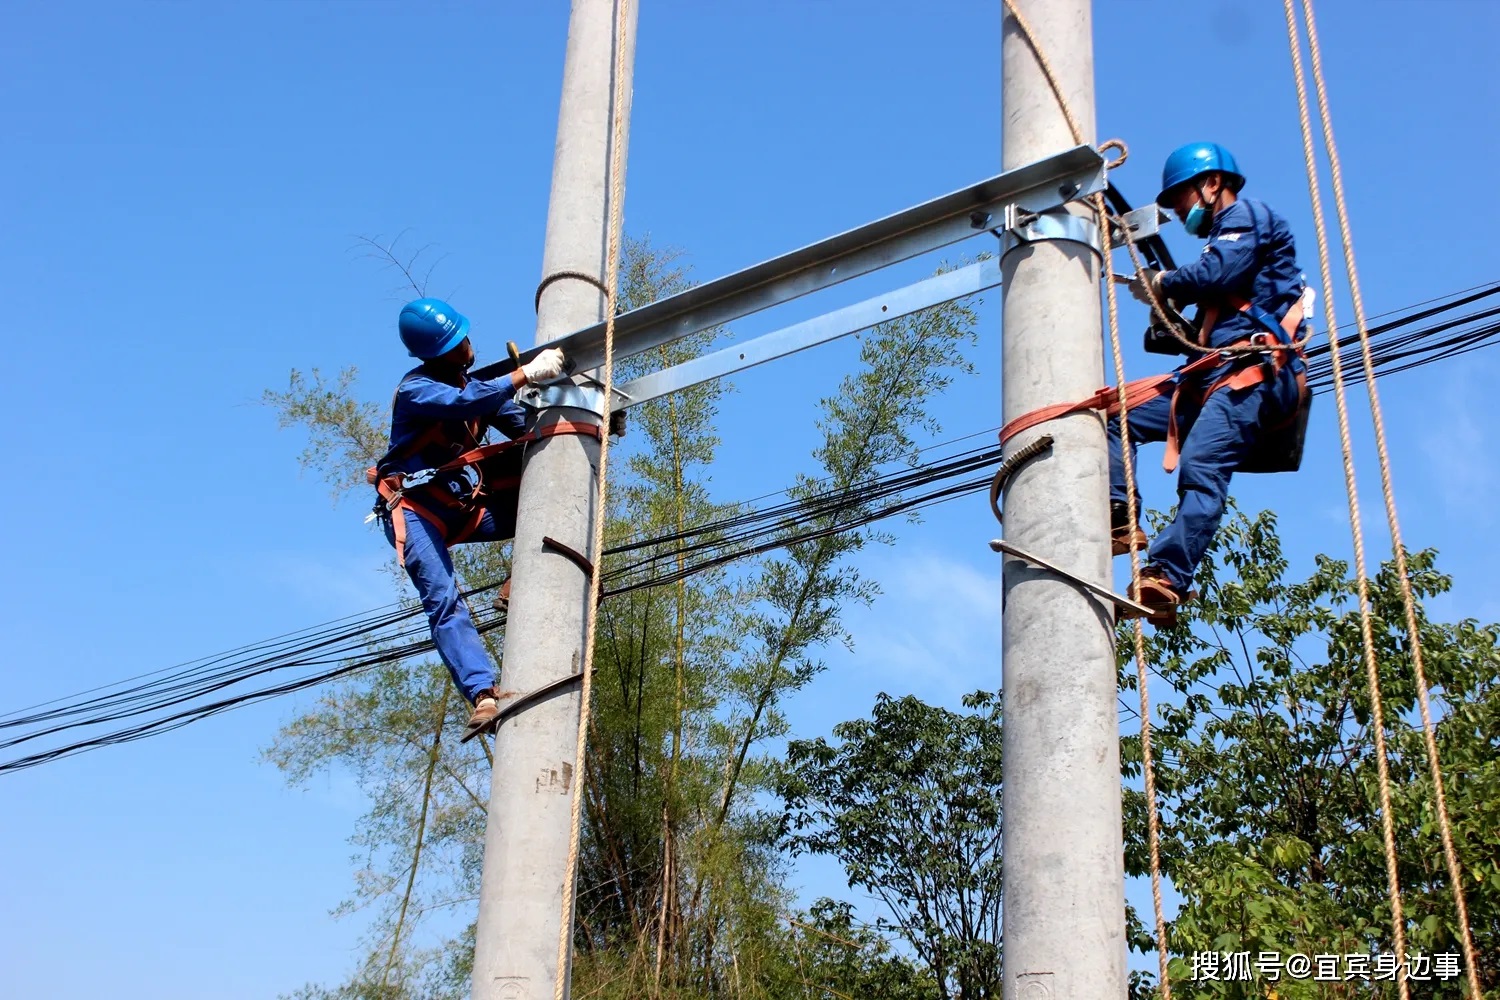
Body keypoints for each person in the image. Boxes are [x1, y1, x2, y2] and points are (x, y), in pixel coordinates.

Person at [1112, 142, 1310, 623]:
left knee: (1201, 465)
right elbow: (1196, 323)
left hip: (1253, 371)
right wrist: (1167, 306)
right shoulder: (1222, 248)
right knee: (1117, 414)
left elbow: (1219, 269)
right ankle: (1121, 515)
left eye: (1180, 197)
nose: (1179, 212)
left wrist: (1165, 283)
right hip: (1212, 372)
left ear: (1212, 184)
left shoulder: (1248, 215)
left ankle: (1167, 575)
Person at [370, 297, 567, 737]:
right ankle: (483, 694)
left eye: (464, 339)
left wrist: (585, 422)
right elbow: (465, 403)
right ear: (435, 355)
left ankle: (522, 579)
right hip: (418, 512)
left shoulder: (477, 387)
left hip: (467, 505)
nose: (467, 349)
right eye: (455, 346)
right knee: (443, 600)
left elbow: (525, 431)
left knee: (550, 484)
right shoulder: (417, 390)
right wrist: (523, 375)